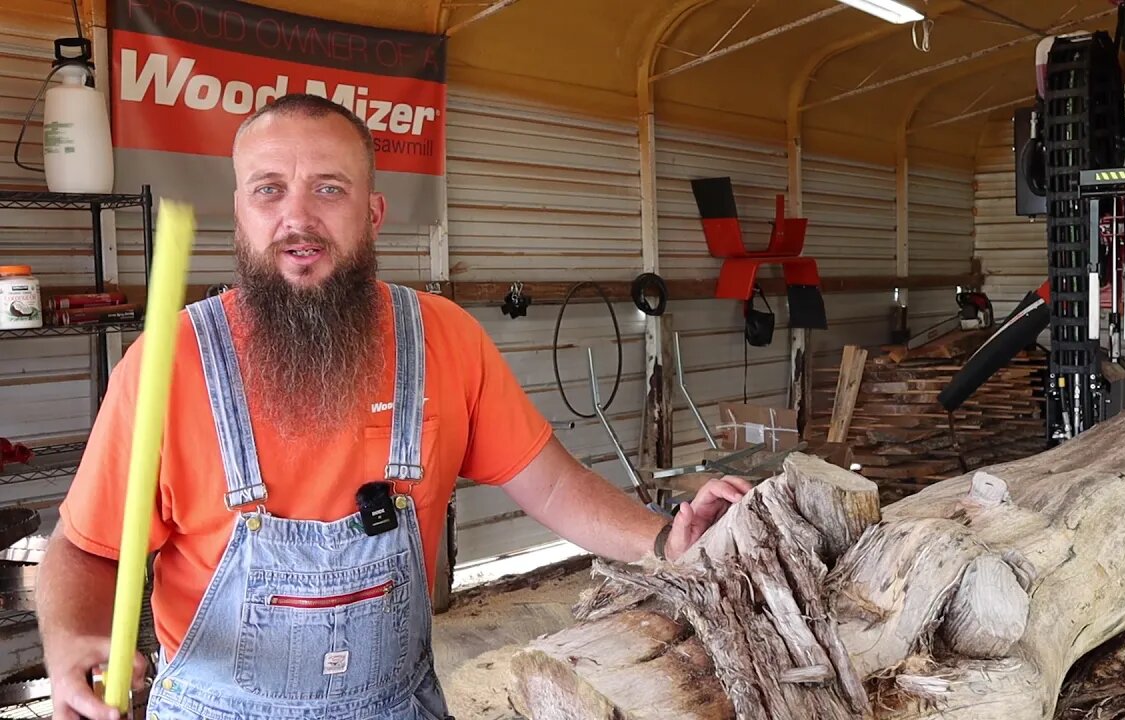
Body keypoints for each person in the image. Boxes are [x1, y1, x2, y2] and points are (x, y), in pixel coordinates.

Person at [34, 93, 751, 720]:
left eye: (329, 189)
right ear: (239, 214)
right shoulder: (165, 366)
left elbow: (554, 484)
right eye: (268, 190)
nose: (297, 219)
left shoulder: (443, 339)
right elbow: (86, 550)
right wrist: (72, 645)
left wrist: (666, 542)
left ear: (373, 212)